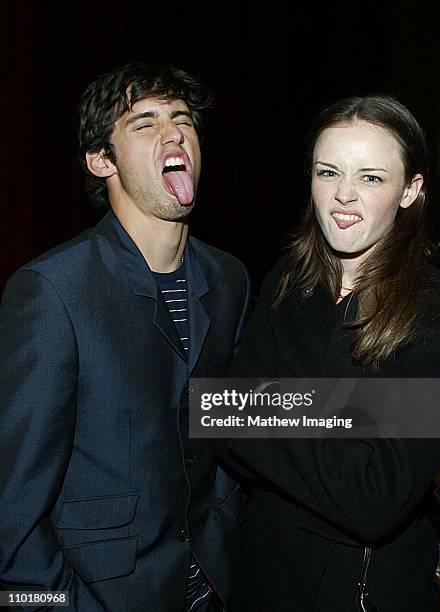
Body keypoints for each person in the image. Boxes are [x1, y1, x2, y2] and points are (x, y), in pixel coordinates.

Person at [0, 62, 250, 611]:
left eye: (182, 119)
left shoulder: (229, 278)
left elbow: (227, 422)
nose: (174, 133)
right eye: (145, 123)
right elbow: (12, 515)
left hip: (213, 589)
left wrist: (403, 410)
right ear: (101, 160)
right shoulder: (52, 290)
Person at [223, 95, 440, 610]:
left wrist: (269, 405)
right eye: (328, 172)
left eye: (371, 177)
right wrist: (352, 414)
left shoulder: (429, 307)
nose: (344, 196)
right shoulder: (285, 284)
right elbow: (222, 418)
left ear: (410, 190)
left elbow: (375, 496)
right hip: (263, 577)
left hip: (369, 592)